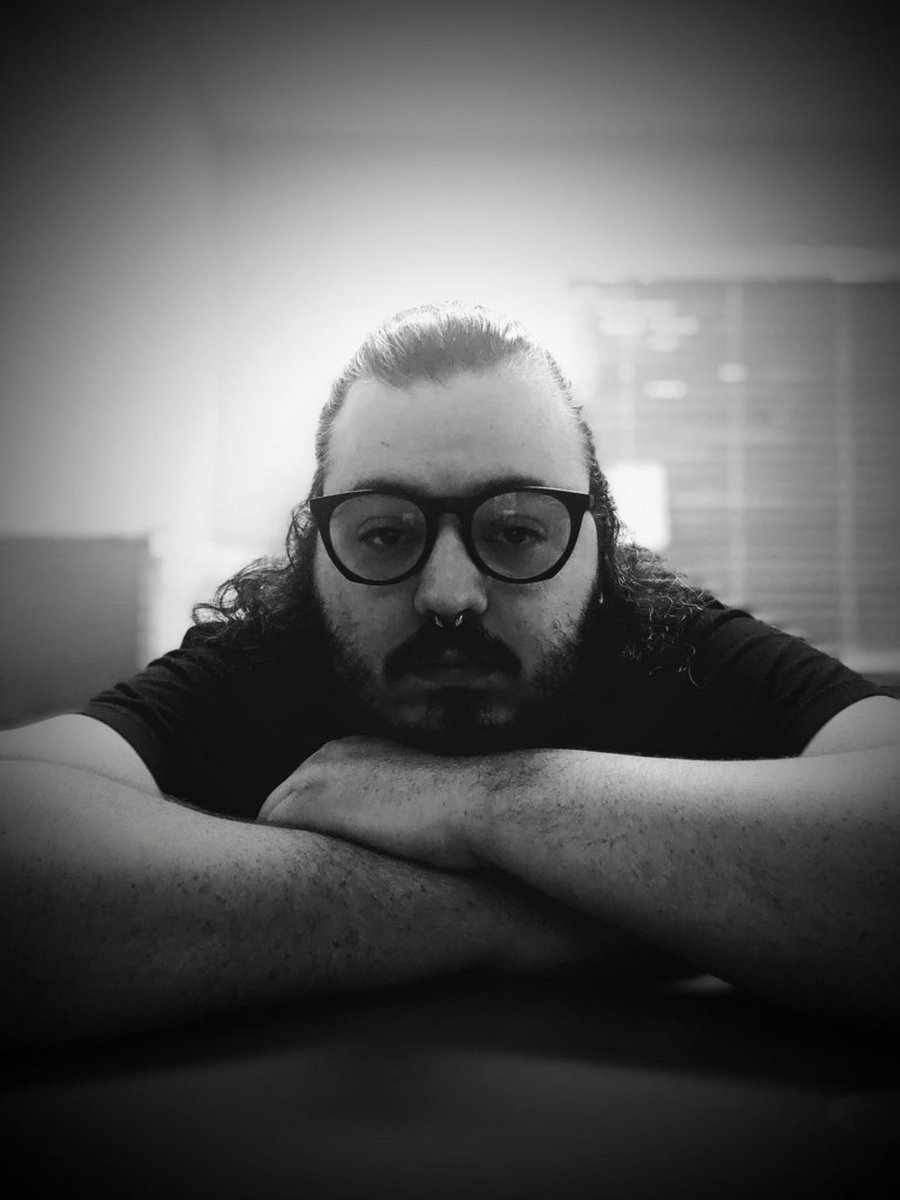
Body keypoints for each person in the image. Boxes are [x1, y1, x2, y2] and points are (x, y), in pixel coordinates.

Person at [2, 301, 898, 1047]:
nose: (448, 595)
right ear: (315, 552)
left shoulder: (677, 652)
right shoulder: (263, 663)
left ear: (601, 546)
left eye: (517, 530)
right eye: (384, 533)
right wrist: (525, 920)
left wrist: (487, 800)